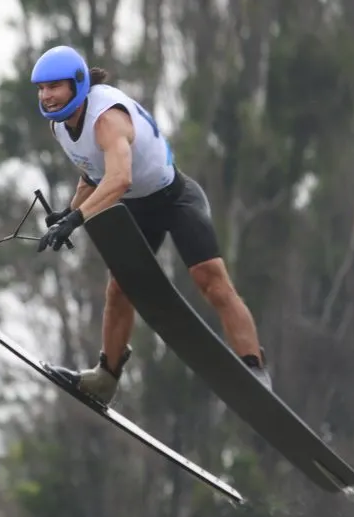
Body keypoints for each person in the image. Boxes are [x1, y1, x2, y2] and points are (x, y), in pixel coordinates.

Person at [30, 44, 273, 404]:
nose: (47, 96)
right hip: (137, 208)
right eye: (41, 88)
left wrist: (78, 219)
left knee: (211, 279)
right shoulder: (61, 127)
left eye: (55, 87)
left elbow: (119, 179)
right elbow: (92, 174)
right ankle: (104, 380)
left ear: (77, 84)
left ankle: (254, 369)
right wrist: (68, 212)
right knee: (119, 290)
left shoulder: (107, 118)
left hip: (175, 199)